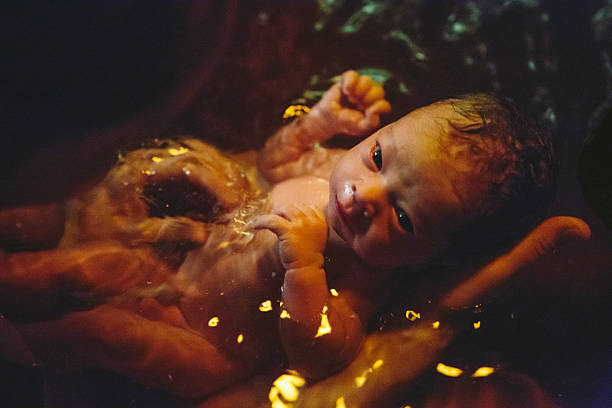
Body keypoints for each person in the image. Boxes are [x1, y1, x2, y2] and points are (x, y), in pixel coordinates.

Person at [0, 71, 587, 403]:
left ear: (432, 257)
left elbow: (322, 350)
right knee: (82, 266)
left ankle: (30, 358)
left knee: (109, 334)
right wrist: (320, 123)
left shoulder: (360, 277)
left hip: (211, 347)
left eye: (403, 219)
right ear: (378, 132)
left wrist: (305, 269)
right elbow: (274, 162)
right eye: (378, 157)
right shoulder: (332, 169)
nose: (363, 197)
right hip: (180, 265)